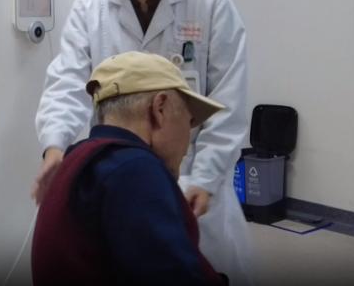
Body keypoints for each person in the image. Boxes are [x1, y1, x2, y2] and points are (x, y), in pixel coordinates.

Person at [32, 0, 252, 283]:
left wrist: (205, 177)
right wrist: (54, 147)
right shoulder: (90, 10)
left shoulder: (209, 4)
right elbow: (66, 85)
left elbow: (228, 102)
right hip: (119, 176)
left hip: (194, 176)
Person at [32, 51, 229, 286]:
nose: (188, 140)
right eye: (190, 122)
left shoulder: (77, 160)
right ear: (160, 108)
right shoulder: (135, 170)